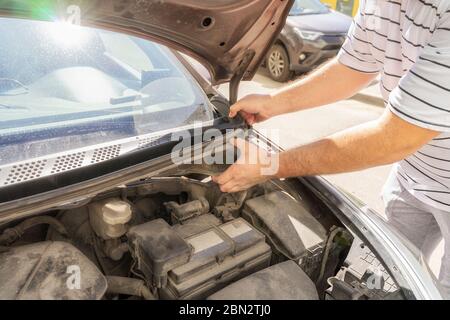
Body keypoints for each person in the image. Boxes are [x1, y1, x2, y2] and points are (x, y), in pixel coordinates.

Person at [213, 0, 450, 297]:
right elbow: (352, 68)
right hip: (413, 174)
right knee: (388, 278)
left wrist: (270, 166)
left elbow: (392, 139)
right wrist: (274, 102)